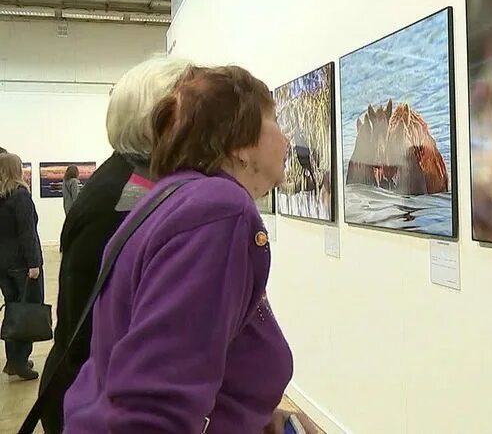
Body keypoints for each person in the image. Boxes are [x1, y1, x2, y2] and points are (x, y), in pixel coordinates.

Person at [63, 65, 315, 433]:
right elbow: (153, 409)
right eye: (274, 120)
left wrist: (249, 418)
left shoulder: (172, 197)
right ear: (241, 145)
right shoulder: (220, 209)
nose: (286, 138)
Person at [37, 55, 193, 433]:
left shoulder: (132, 181)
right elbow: (97, 326)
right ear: (162, 118)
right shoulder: (125, 196)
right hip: (95, 402)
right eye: (200, 108)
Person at [0, 152, 43, 381]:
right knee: (26, 311)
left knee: (12, 309)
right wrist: (34, 263)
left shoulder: (2, 196)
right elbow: (27, 233)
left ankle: (13, 361)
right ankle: (20, 361)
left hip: (3, 266)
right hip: (22, 265)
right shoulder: (20, 196)